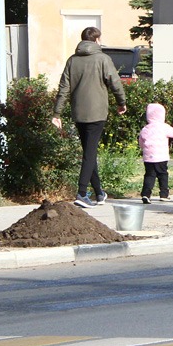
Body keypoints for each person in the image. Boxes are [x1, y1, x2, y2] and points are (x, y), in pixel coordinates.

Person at [51, 26, 127, 209]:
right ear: (96, 40)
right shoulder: (103, 59)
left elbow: (63, 88)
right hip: (97, 112)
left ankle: (99, 192)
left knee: (88, 153)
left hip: (78, 112)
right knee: (90, 154)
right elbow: (115, 82)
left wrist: (57, 113)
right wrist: (121, 102)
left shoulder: (72, 60)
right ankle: (82, 193)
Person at [138, 102, 173, 204]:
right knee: (163, 174)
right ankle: (164, 194)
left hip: (148, 157)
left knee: (149, 175)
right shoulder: (164, 127)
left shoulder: (145, 128)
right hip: (161, 157)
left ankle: (146, 194)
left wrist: (144, 149)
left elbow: (141, 142)